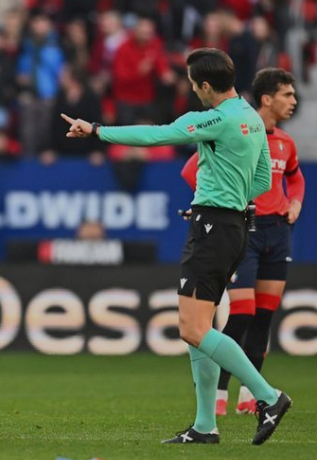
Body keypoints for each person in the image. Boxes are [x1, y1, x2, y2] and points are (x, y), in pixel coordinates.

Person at [62, 48, 291, 446]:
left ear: (204, 85)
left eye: (191, 82)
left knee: (193, 328)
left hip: (214, 229)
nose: (191, 88)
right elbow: (262, 184)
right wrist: (220, 197)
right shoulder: (253, 119)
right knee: (197, 327)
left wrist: (97, 130)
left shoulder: (213, 119)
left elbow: (156, 135)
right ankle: (205, 426)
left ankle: (268, 397)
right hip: (235, 226)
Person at [181, 68, 304, 416]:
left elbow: (295, 180)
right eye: (287, 95)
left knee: (263, 316)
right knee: (243, 313)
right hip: (245, 229)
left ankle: (251, 396)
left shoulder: (285, 143)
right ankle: (221, 393)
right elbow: (192, 170)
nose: (293, 101)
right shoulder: (240, 129)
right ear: (268, 98)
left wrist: (295, 202)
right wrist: (211, 199)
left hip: (277, 232)